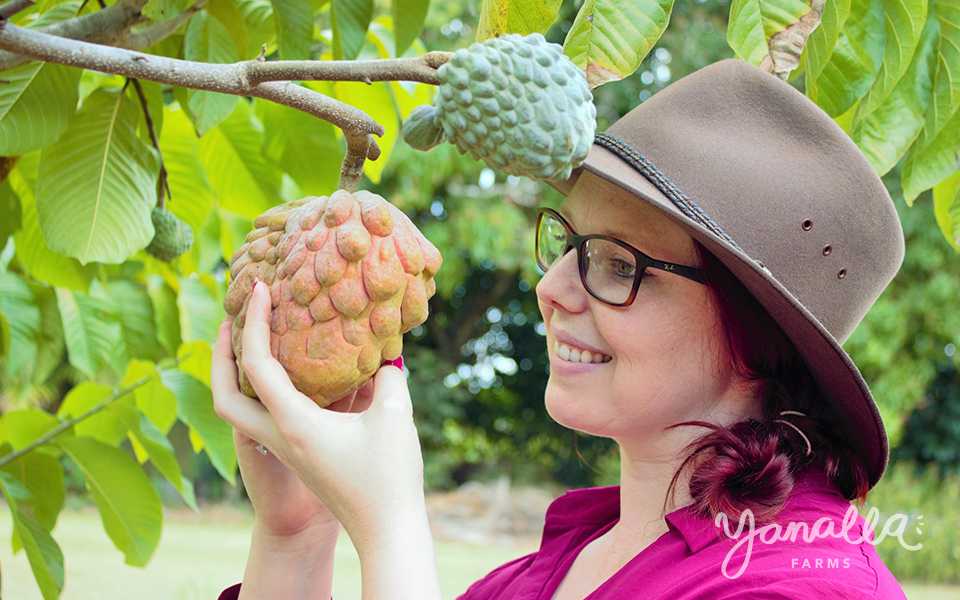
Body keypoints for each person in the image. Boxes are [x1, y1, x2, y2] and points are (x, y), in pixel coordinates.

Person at [212, 59, 909, 599]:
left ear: (753, 341)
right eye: (567, 240)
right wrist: (297, 534)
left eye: (615, 262)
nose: (550, 288)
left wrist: (390, 530)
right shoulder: (539, 575)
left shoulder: (809, 584)